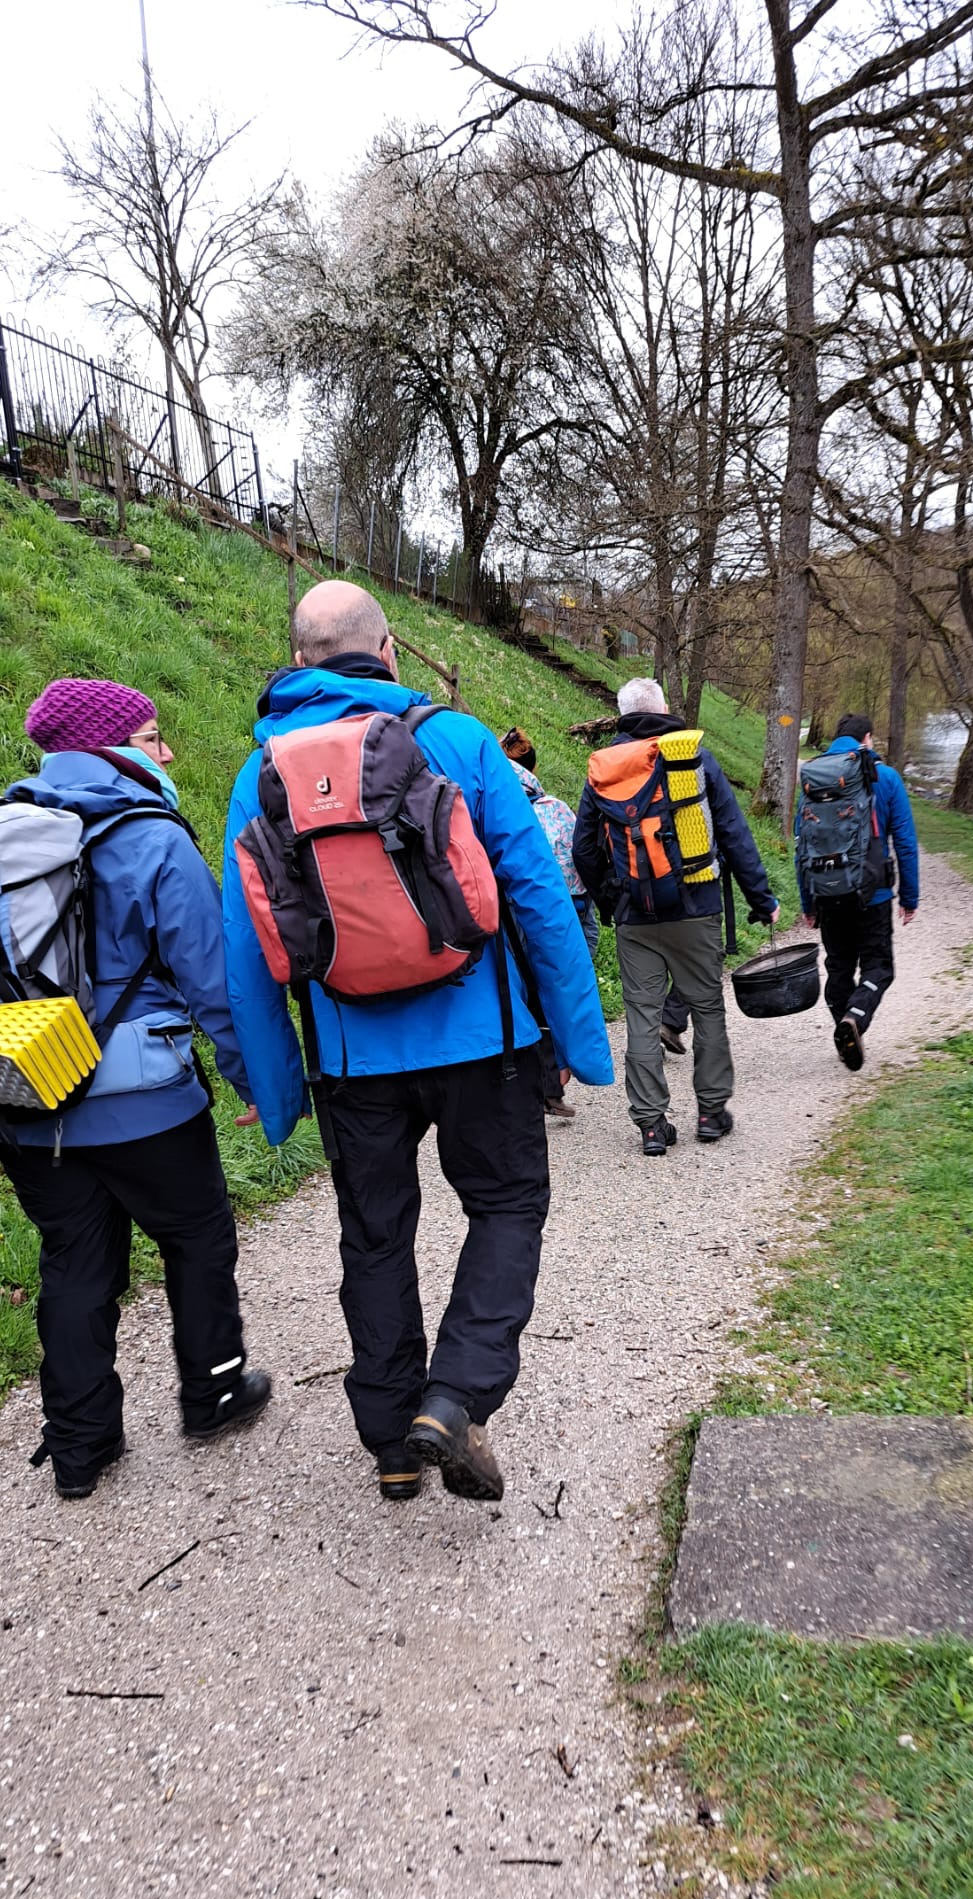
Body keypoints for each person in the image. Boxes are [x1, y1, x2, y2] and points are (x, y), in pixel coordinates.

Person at [223, 581, 612, 1506]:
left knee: (375, 1236)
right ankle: (455, 1397)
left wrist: (276, 1088)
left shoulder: (260, 774)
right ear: (389, 648)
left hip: (351, 1061)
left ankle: (392, 1440)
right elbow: (539, 897)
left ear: (300, 660)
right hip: (485, 1042)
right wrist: (578, 1040)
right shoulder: (461, 742)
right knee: (507, 1204)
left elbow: (246, 947)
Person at [0, 677, 269, 1501]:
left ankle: (80, 1446)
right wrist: (251, 1077)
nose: (168, 752)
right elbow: (213, 981)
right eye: (152, 737)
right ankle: (213, 1391)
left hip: (24, 1093)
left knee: (75, 1261)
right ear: (108, 747)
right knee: (197, 1238)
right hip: (143, 1099)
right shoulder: (151, 835)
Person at [574, 677, 778, 1155]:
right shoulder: (693, 757)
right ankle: (710, 1113)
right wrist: (761, 898)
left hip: (634, 915)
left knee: (642, 1015)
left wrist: (612, 900)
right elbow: (733, 832)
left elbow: (583, 849)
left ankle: (651, 1124)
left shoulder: (605, 768)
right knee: (706, 1008)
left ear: (622, 714)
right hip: (697, 907)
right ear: (662, 708)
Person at [796, 711, 919, 1071]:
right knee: (879, 967)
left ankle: (845, 1029)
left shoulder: (814, 780)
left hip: (827, 892)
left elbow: (802, 847)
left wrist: (808, 902)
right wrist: (909, 897)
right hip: (873, 893)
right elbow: (906, 842)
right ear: (867, 739)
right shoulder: (886, 777)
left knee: (839, 968)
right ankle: (855, 1018)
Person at [507, 752, 595, 1119]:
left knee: (524, 996)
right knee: (556, 995)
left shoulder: (502, 810)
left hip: (516, 915)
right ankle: (555, 1081)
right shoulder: (555, 807)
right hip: (569, 911)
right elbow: (583, 853)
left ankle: (536, 1085)